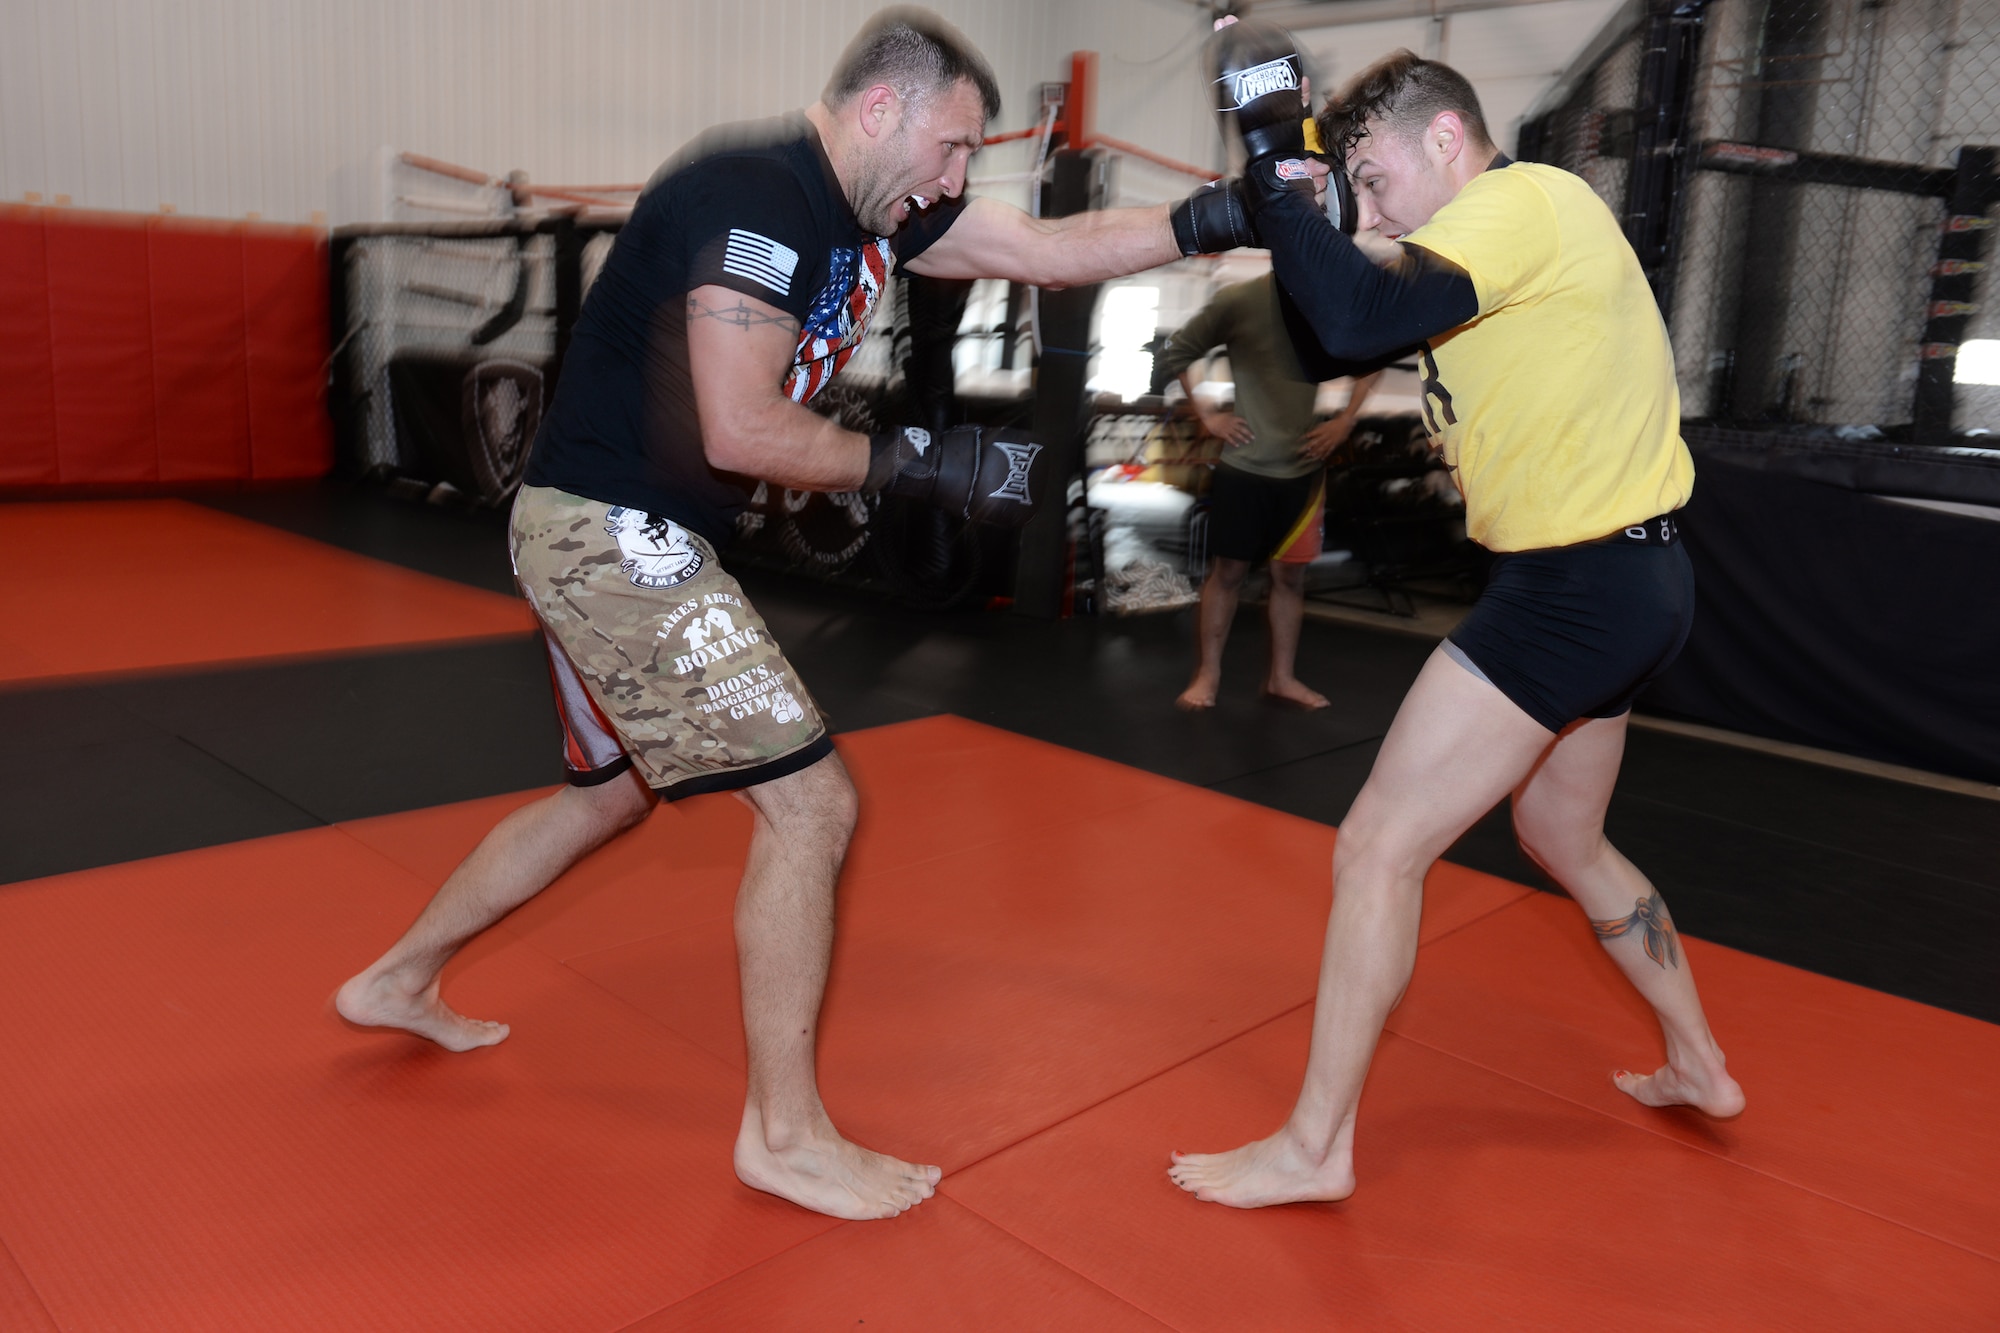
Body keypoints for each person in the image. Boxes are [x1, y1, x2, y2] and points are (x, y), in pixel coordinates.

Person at [337, 7, 1255, 1222]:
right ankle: (783, 1134)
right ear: (882, 109)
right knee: (812, 802)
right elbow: (741, 427)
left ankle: (398, 978)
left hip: (624, 532)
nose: (954, 176)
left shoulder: (880, 207)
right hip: (610, 533)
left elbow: (1046, 247)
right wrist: (920, 465)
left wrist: (1216, 219)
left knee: (606, 794)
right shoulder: (757, 197)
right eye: (950, 146)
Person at [1169, 41, 1745, 1210]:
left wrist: (1282, 172)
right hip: (1635, 583)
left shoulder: (1519, 200)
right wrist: (1295, 203)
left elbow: (1353, 313)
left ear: (1445, 139)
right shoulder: (1499, 241)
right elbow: (1341, 320)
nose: (1371, 207)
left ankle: (1313, 1146)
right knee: (1563, 839)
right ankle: (1700, 1062)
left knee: (1375, 846)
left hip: (1575, 590)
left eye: (1375, 177)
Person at [1162, 273, 1379, 711]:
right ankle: (1208, 675)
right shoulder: (1242, 300)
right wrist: (1208, 415)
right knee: (1228, 574)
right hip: (1244, 467)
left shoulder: (1328, 296)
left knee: (1290, 578)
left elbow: (1374, 357)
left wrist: (1344, 420)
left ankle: (1282, 677)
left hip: (1303, 470)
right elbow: (1178, 351)